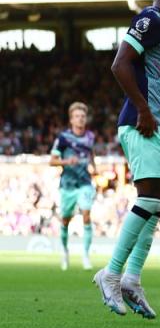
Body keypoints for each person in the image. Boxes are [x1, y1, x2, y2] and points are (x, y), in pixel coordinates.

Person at [93, 0, 160, 318]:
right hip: (143, 124)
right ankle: (112, 273)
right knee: (147, 199)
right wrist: (144, 107)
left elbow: (148, 72)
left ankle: (132, 278)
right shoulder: (149, 19)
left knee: (156, 206)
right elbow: (120, 64)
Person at [50, 102, 97, 271]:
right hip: (67, 185)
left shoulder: (90, 136)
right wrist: (66, 161)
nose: (80, 119)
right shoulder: (63, 138)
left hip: (84, 182)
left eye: (83, 116)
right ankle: (64, 251)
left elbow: (91, 153)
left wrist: (94, 166)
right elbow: (52, 161)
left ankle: (85, 255)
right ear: (71, 119)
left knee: (86, 214)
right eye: (77, 116)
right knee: (65, 220)